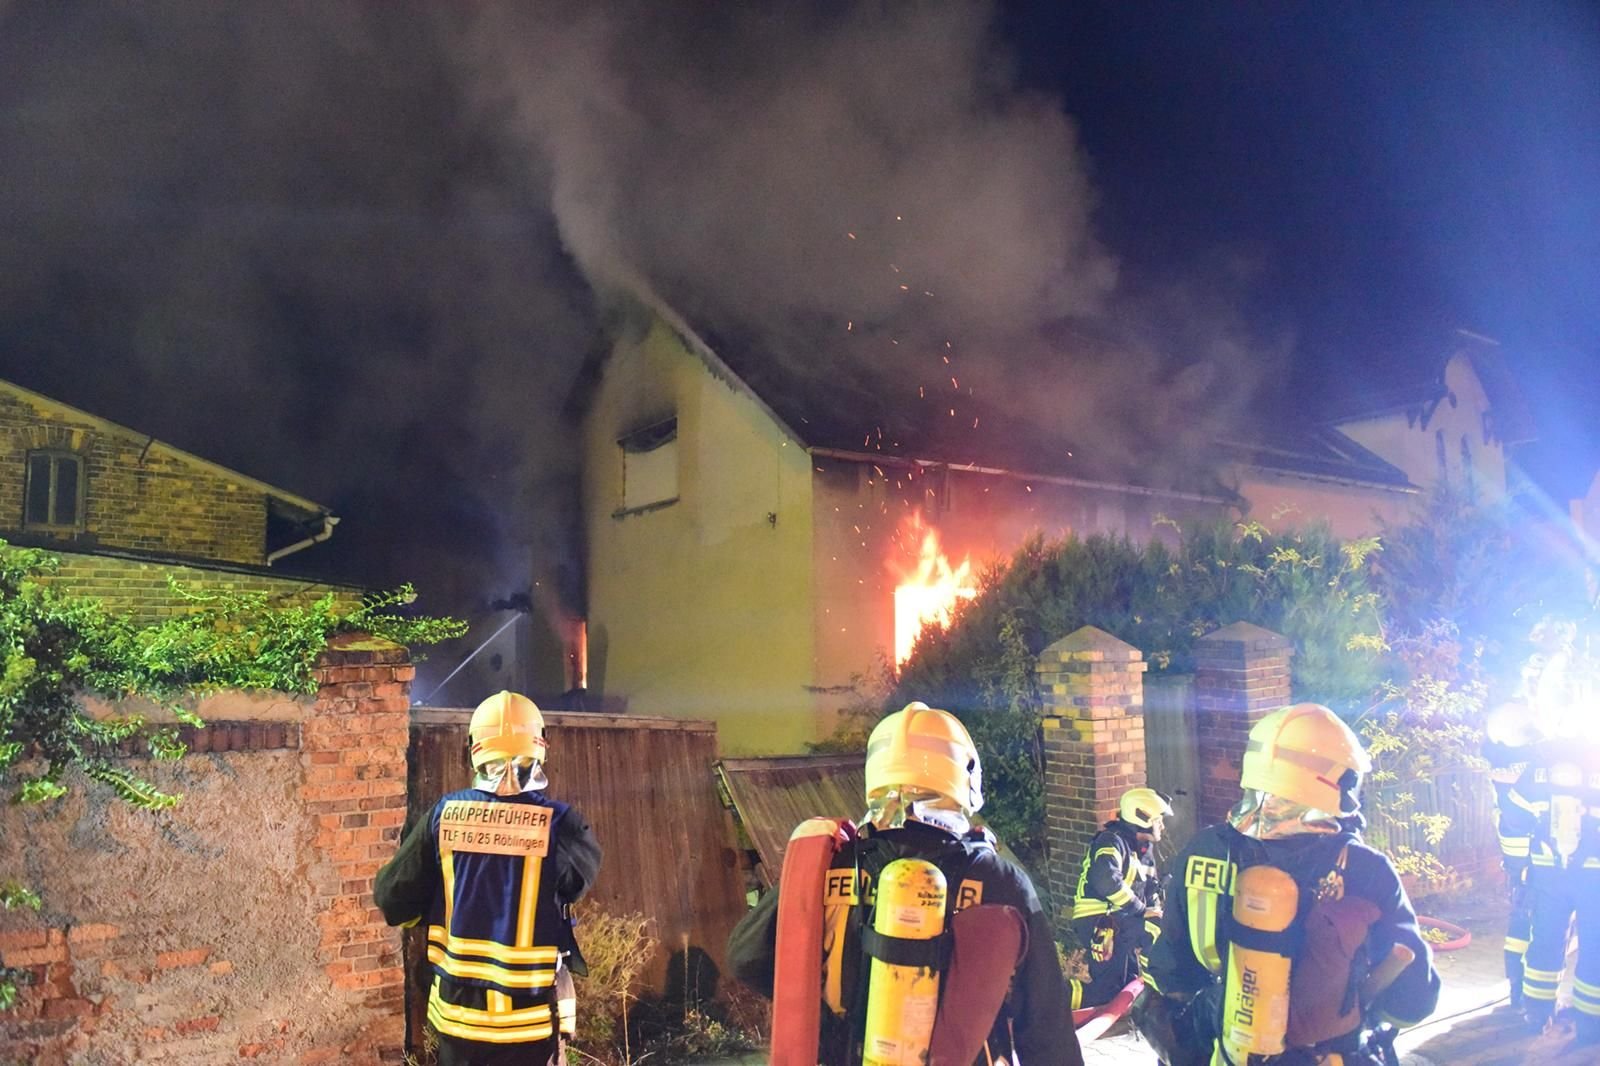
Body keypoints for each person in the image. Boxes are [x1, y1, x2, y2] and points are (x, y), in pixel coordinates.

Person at [727, 702, 1083, 1065]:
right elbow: (1045, 1025)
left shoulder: (829, 863)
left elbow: (745, 957)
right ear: (965, 777)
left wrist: (825, 1009)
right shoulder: (999, 879)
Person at [1138, 703, 1440, 1066]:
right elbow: (1414, 1000)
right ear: (1333, 781)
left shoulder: (1201, 851)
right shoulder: (1364, 869)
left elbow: (1170, 974)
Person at [375, 691, 602, 1066]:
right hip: (530, 1024)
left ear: (473, 749)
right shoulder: (564, 825)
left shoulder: (443, 816)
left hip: (459, 1022)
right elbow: (575, 885)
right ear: (541, 746)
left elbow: (392, 898)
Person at [1500, 730, 1600, 1044]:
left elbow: (1513, 821)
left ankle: (1537, 1014)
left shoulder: (1539, 765)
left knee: (1543, 942)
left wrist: (1517, 872)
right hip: (1595, 878)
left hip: (1548, 875)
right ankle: (1590, 1023)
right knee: (1596, 949)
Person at [1068, 786, 1173, 1010]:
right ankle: (1159, 999)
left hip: (1119, 919)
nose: (1162, 826)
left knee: (1117, 990)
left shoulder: (1144, 852)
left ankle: (1052, 998)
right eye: (1158, 820)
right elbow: (1106, 880)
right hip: (1100, 920)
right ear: (1142, 817)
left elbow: (1149, 892)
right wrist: (1142, 910)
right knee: (1154, 926)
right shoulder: (1111, 841)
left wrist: (1158, 905)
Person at [1482, 700, 1540, 1009]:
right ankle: (1523, 988)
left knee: (1520, 919)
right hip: (1533, 860)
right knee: (1533, 922)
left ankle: (1517, 984)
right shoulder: (1527, 766)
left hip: (1517, 860)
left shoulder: (1500, 763)